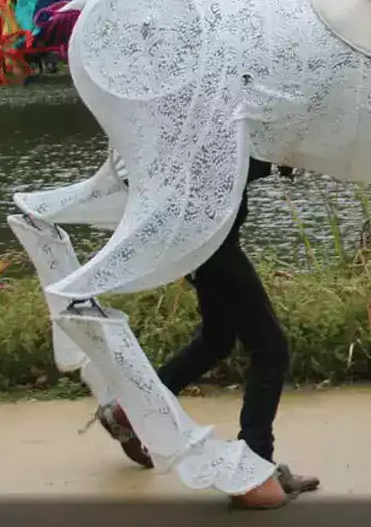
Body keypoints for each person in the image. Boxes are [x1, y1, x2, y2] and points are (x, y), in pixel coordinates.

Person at [95, 158, 317, 510]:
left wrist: (276, 156)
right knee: (270, 350)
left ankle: (129, 412)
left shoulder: (210, 117)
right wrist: (279, 155)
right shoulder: (222, 121)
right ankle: (254, 470)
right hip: (212, 247)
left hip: (197, 244)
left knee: (218, 338)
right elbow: (229, 159)